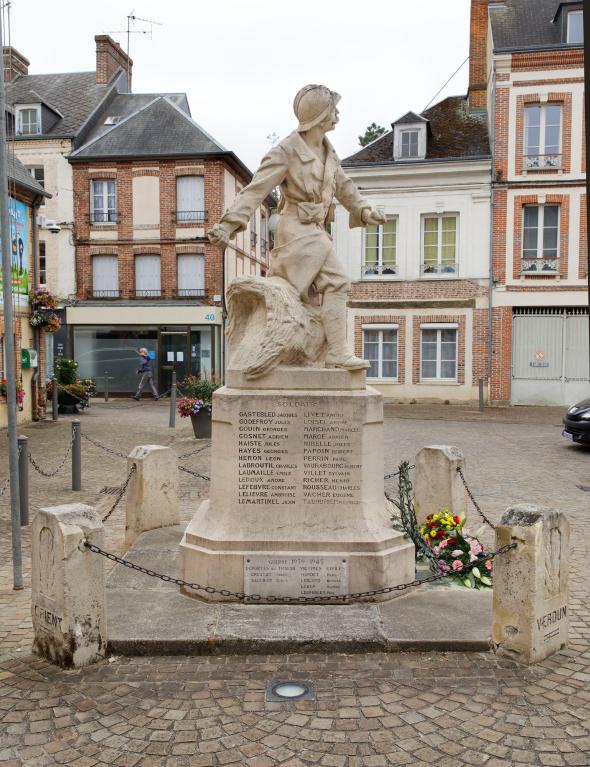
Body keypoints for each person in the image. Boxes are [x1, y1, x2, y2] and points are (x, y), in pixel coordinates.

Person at [208, 84, 386, 371]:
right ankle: (335, 353)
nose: (338, 114)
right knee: (335, 281)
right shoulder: (286, 151)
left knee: (322, 291)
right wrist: (228, 225)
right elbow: (255, 190)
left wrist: (364, 209)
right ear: (320, 115)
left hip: (315, 230)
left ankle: (330, 352)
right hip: (296, 231)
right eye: (333, 108)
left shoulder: (329, 152)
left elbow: (345, 187)